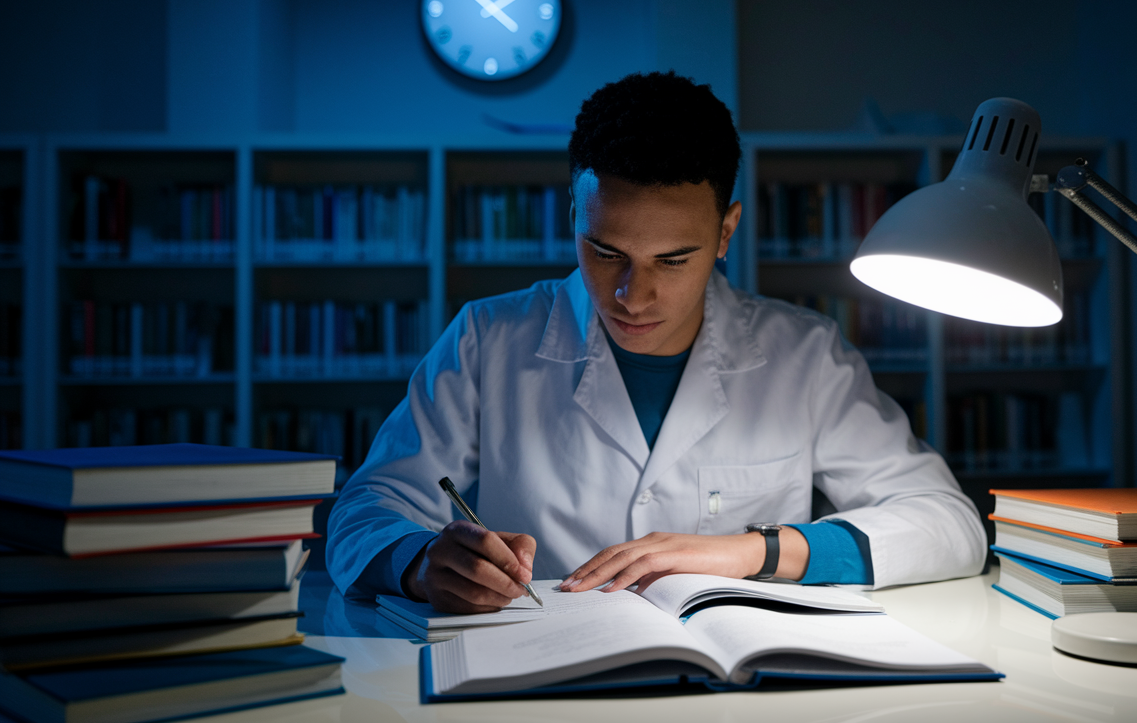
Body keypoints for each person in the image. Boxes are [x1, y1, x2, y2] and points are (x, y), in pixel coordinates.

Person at [326, 72, 986, 613]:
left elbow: (950, 527)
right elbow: (364, 513)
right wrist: (417, 563)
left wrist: (754, 550)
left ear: (726, 232)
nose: (631, 296)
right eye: (606, 251)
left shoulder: (804, 354)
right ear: (573, 212)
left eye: (672, 261)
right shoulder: (487, 338)